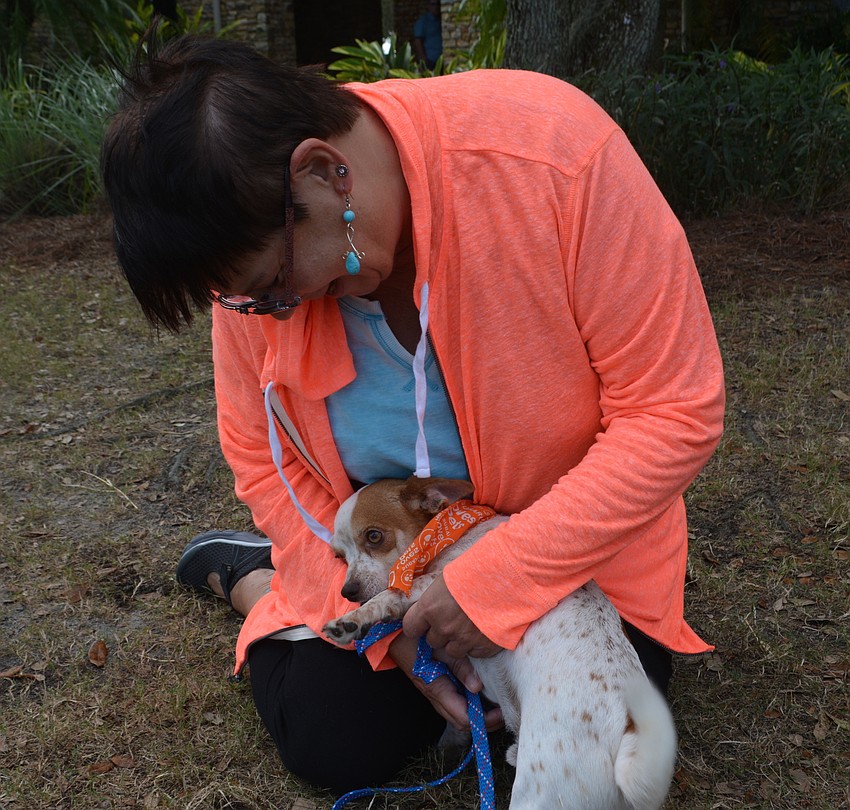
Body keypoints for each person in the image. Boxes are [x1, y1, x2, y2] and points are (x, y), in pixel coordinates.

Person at [101, 33, 725, 797]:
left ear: (322, 173)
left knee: (603, 744)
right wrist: (387, 636)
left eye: (273, 285)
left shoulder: (556, 156)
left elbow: (674, 412)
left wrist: (498, 582)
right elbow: (264, 461)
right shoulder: (255, 271)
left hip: (579, 562)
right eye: (249, 299)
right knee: (331, 742)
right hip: (383, 557)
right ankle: (257, 580)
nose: (273, 311)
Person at [413, 0, 442, 69]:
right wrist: (424, 58)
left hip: (442, 58)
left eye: (438, 4)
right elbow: (418, 41)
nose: (436, 7)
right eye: (433, 4)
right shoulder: (423, 21)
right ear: (428, 6)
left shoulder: (441, 20)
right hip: (430, 60)